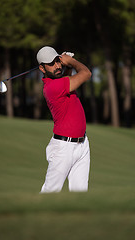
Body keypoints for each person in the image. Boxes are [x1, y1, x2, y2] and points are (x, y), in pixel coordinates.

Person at [36, 46, 92, 193]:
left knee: (80, 195)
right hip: (63, 148)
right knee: (50, 192)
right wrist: (72, 61)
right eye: (51, 64)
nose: (57, 66)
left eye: (58, 61)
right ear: (42, 69)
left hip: (82, 144)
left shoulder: (60, 82)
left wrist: (67, 66)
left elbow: (67, 79)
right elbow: (86, 74)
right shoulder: (52, 87)